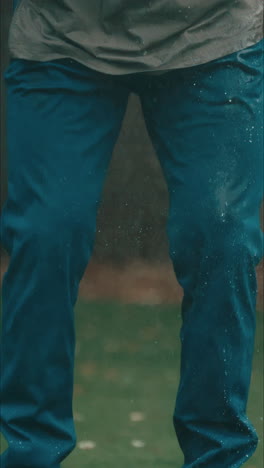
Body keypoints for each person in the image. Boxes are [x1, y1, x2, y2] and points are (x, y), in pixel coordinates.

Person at [0, 1, 263, 467]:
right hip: (62, 34)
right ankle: (30, 456)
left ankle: (219, 457)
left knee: (221, 234)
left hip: (214, 32)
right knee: (46, 234)